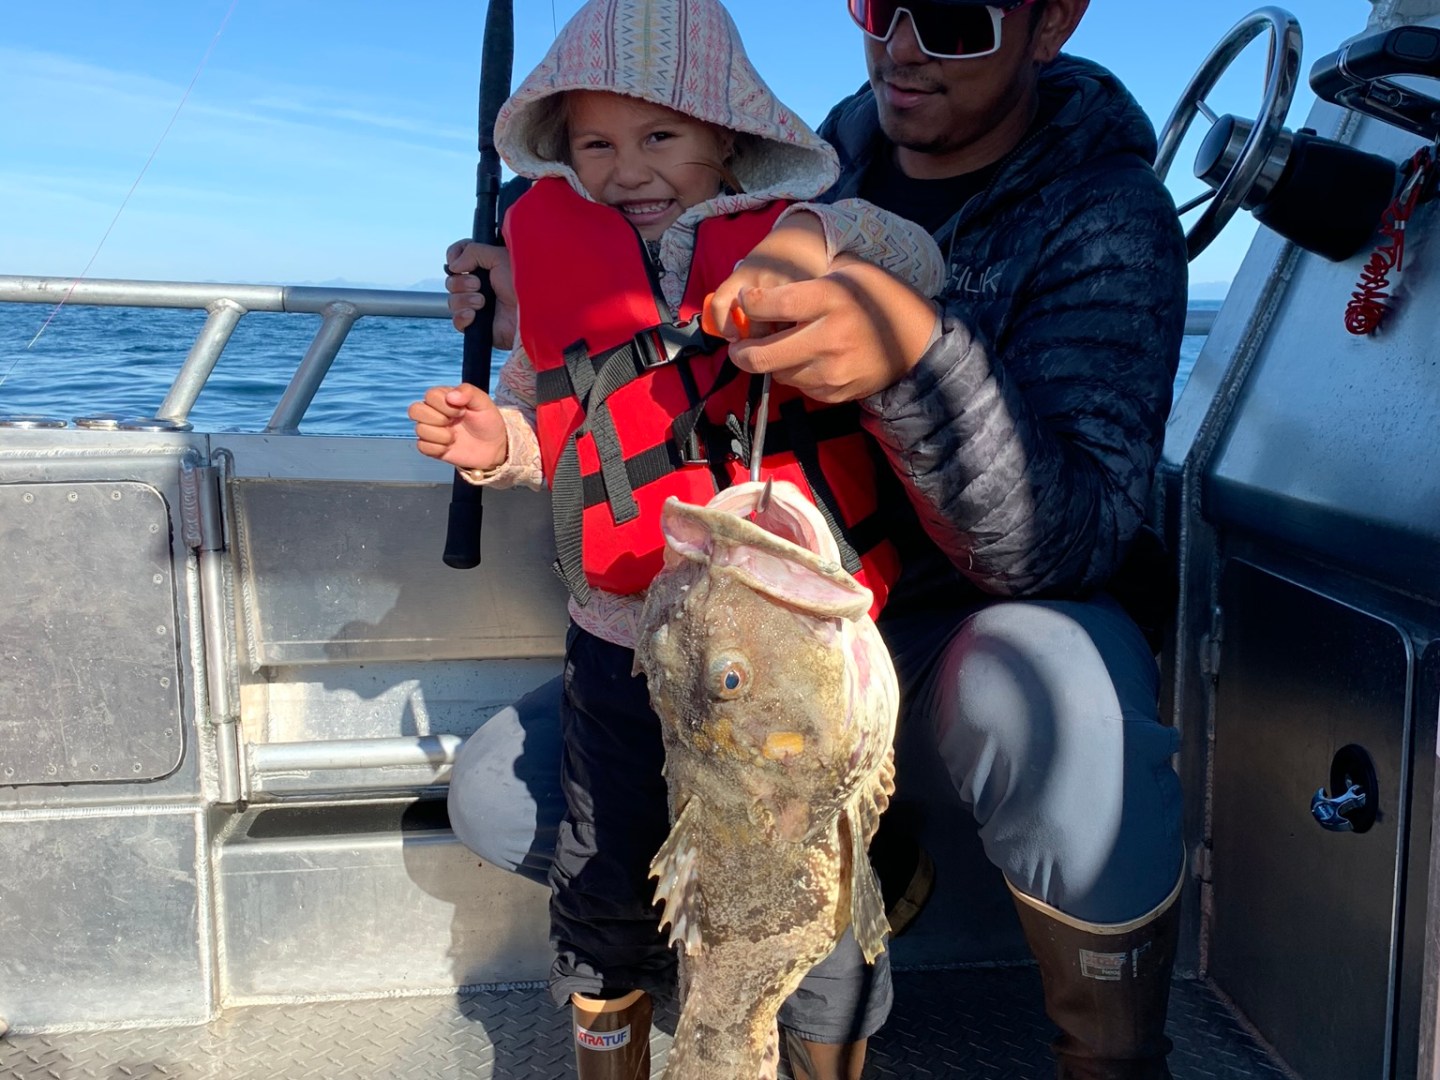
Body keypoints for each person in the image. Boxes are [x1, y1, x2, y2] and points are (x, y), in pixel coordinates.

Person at [443, 0, 1191, 1076]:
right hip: (749, 628)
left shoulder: (1107, 216)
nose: (902, 45)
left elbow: (1063, 546)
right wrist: (548, 303)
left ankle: (1108, 1057)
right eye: (877, 7)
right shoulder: (811, 159)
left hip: (949, 640)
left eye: (955, 17)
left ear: (1051, 22)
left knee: (1058, 688)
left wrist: (913, 361)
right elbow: (627, 212)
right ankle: (861, 870)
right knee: (498, 794)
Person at [410, 1, 945, 1077]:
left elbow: (913, 255)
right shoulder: (558, 267)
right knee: (606, 881)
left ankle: (814, 1043)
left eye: (661, 139)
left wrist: (806, 244)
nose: (627, 170)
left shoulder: (818, 229)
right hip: (620, 644)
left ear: (730, 143)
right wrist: (492, 441)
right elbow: (554, 430)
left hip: (787, 650)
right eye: (595, 145)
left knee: (817, 891)